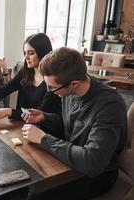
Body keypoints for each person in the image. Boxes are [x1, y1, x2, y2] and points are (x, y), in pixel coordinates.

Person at [22, 47, 127, 200]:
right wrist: (45, 117)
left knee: (35, 196)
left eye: (52, 88)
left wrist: (44, 139)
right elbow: (71, 127)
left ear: (74, 84)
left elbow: (92, 162)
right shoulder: (69, 90)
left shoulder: (110, 106)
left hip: (99, 175)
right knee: (20, 186)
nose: (49, 91)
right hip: (71, 163)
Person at [0, 33, 61, 129]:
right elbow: (5, 90)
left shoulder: (52, 82)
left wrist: (9, 111)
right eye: (25, 53)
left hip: (40, 131)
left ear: (43, 52)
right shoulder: (25, 72)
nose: (26, 58)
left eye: (31, 53)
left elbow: (36, 116)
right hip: (21, 125)